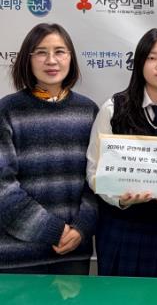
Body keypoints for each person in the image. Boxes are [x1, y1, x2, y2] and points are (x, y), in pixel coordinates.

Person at [86, 28, 157, 278]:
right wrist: (121, 198)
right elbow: (93, 171)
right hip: (120, 230)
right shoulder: (114, 108)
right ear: (139, 64)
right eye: (152, 58)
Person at [0, 23, 98, 274]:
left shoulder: (88, 111)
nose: (51, 60)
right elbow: (3, 187)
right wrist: (53, 230)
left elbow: (97, 181)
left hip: (73, 254)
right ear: (27, 59)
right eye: (41, 52)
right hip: (18, 257)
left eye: (60, 52)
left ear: (71, 58)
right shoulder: (7, 111)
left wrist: (81, 228)